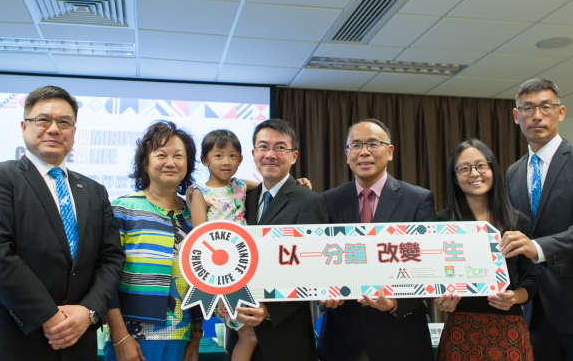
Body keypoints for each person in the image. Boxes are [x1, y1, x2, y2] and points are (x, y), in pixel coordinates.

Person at [0, 86, 125, 360]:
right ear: (24, 126)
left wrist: (89, 311)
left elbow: (111, 259)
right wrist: (49, 316)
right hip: (9, 337)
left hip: (77, 340)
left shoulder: (95, 191)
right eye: (43, 120)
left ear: (74, 131)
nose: (53, 129)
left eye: (64, 122)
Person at [503, 78, 573, 361]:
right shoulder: (513, 172)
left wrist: (536, 248)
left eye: (545, 107)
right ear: (516, 116)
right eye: (528, 108)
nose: (537, 116)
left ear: (560, 112)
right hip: (534, 311)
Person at [186, 129, 312, 361]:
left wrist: (299, 182)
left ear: (242, 159)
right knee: (250, 336)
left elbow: (273, 187)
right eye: (218, 156)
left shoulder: (240, 187)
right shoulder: (199, 192)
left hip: (245, 270)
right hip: (221, 272)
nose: (226, 162)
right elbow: (199, 239)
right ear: (204, 160)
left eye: (233, 156)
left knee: (250, 334)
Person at [318, 118, 436, 361]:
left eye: (373, 144)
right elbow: (316, 260)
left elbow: (428, 266)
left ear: (390, 151)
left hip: (400, 337)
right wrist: (322, 291)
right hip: (341, 338)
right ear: (347, 154)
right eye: (356, 146)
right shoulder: (327, 201)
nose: (364, 152)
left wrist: (396, 304)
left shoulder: (417, 199)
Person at [225, 119, 329, 361]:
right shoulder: (243, 200)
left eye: (280, 147)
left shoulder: (309, 201)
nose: (270, 154)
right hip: (242, 331)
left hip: (286, 334)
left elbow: (314, 267)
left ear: (294, 156)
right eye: (263, 147)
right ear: (253, 153)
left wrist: (270, 309)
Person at [103, 121, 204, 361]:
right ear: (145, 163)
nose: (171, 162)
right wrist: (120, 336)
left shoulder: (196, 216)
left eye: (178, 156)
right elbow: (105, 278)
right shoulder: (121, 208)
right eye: (161, 155)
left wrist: (196, 337)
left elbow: (204, 278)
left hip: (182, 338)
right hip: (132, 340)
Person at [435, 139, 537, 361]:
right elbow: (432, 276)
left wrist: (515, 297)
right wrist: (439, 297)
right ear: (455, 177)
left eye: (481, 165)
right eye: (464, 168)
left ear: (493, 169)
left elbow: (532, 278)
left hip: (509, 328)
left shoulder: (519, 221)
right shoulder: (441, 222)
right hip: (461, 329)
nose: (474, 173)